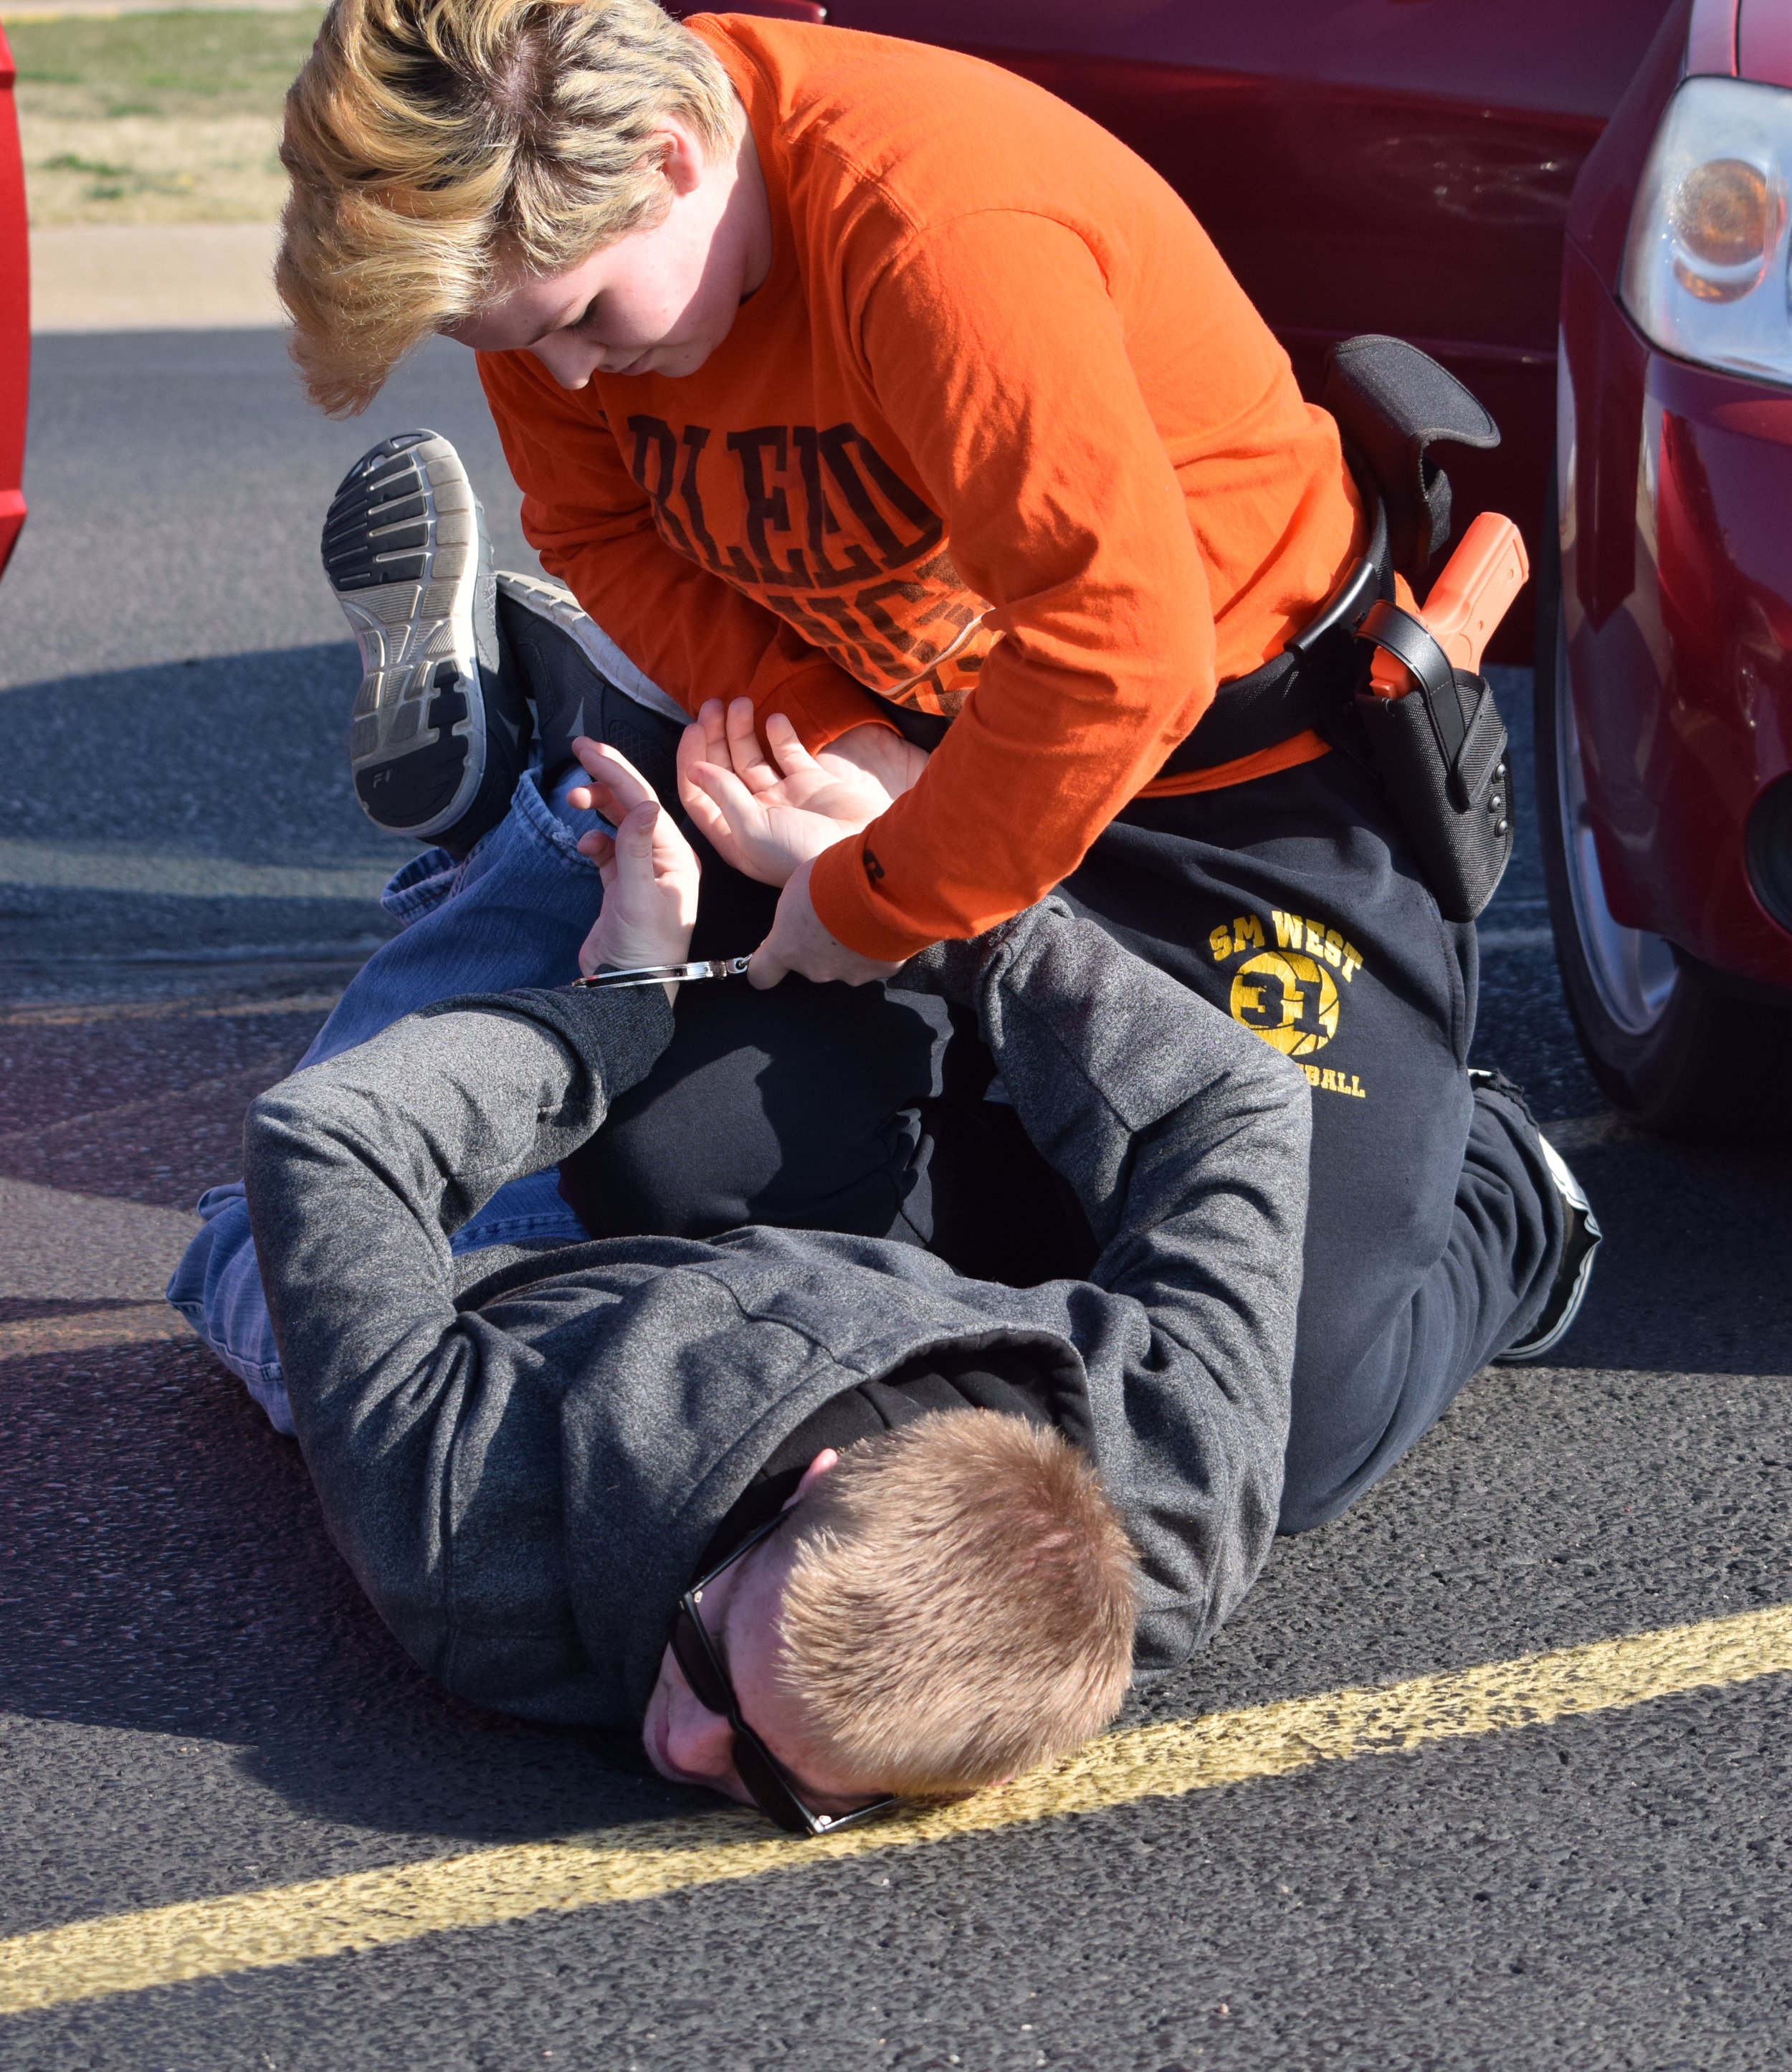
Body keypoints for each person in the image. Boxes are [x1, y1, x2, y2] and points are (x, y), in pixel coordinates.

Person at [274, 0, 1601, 1544]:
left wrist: (875, 895)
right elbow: (607, 535)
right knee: (673, 1171)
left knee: (1277, 1417)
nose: (564, 374)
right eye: (510, 346)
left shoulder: (927, 228)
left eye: (587, 321)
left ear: (677, 156)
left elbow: (1120, 654)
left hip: (1230, 799)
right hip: (911, 767)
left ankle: (1492, 1185)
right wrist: (842, 751)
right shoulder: (559, 275)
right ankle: (1101, 1179)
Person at [171, 607, 1315, 1828]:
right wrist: (916, 894)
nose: (680, 1745)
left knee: (238, 1239)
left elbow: (330, 1142)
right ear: (814, 1486)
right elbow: (1237, 1105)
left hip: (510, 1312)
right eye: (719, 1666)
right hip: (852, 1270)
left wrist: (619, 1002)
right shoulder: (1178, 1491)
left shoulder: (475, 1554)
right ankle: (641, 784)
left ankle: (529, 822)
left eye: (786, 1789)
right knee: (660, 1021)